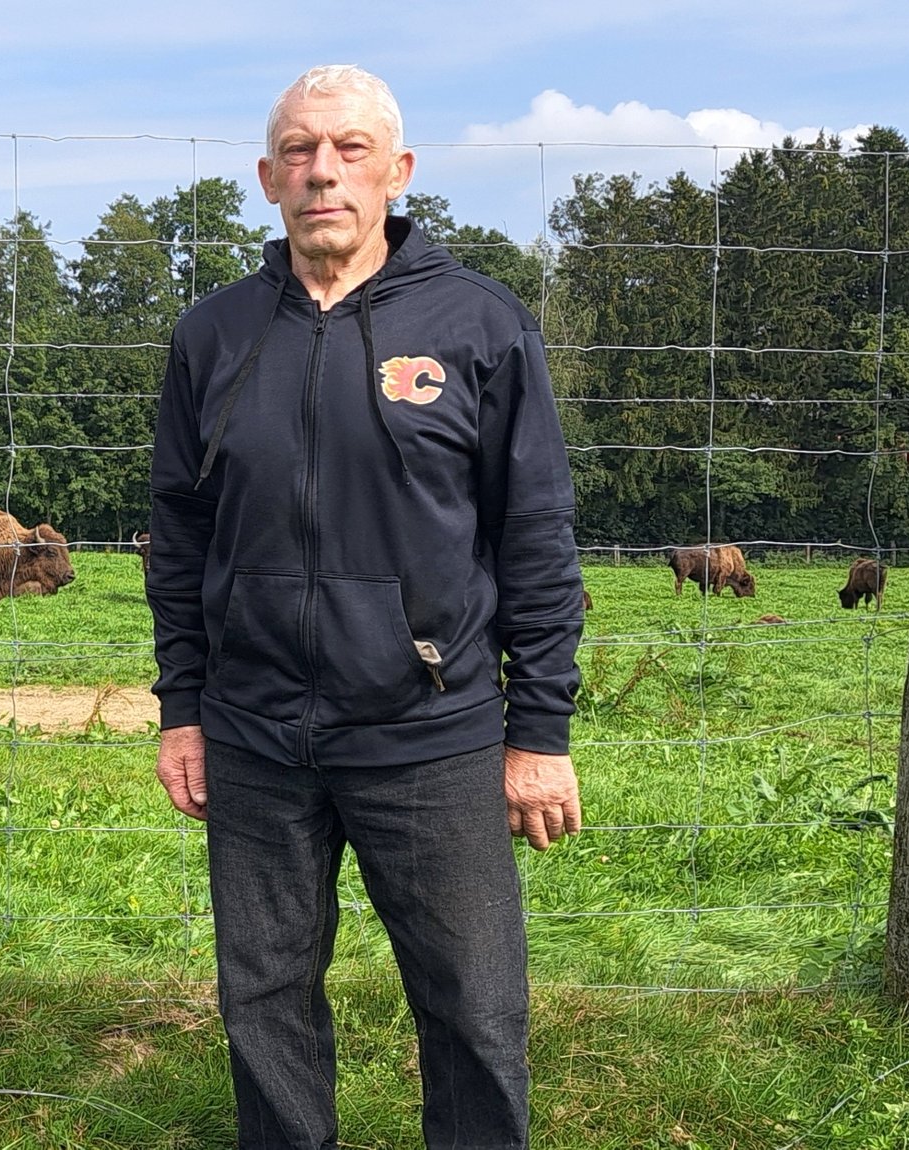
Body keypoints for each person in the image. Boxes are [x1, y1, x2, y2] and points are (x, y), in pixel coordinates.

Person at [145, 64, 585, 1150]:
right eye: (297, 151)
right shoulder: (212, 336)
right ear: (264, 178)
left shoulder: (479, 325)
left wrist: (538, 731)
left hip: (427, 728)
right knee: (263, 1001)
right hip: (251, 734)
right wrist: (182, 707)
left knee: (472, 1004)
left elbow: (533, 535)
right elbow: (178, 536)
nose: (321, 172)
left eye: (347, 150)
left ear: (397, 171)